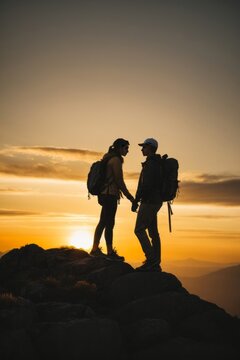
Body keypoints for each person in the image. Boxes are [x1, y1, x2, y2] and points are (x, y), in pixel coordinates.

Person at [90, 138, 134, 261]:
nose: (127, 151)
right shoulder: (116, 161)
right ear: (120, 148)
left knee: (103, 221)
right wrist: (130, 197)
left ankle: (95, 249)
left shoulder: (107, 157)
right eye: (126, 148)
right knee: (109, 223)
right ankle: (108, 253)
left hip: (104, 194)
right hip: (110, 194)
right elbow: (119, 181)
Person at [131, 138, 163, 271]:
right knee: (153, 232)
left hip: (149, 201)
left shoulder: (151, 164)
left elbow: (145, 185)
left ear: (150, 148)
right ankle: (156, 261)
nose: (141, 149)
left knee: (139, 229)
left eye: (144, 147)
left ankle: (151, 260)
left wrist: (136, 200)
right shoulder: (157, 163)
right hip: (156, 201)